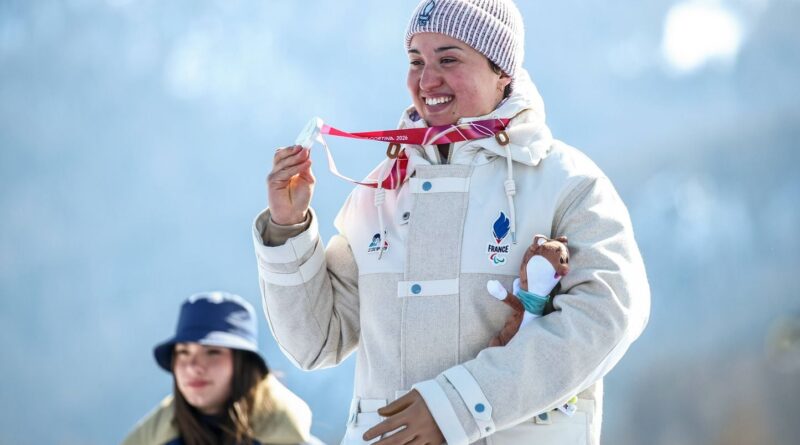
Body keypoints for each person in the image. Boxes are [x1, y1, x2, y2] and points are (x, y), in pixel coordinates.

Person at [253, 0, 650, 444]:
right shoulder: (379, 191)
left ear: (502, 71)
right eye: (416, 61)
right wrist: (287, 225)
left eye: (448, 59)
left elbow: (605, 316)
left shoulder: (566, 182)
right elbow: (317, 342)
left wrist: (458, 407)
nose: (427, 80)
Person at [122, 291, 314, 445]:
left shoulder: (292, 440)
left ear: (243, 364)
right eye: (183, 352)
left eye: (212, 352)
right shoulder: (155, 439)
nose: (193, 367)